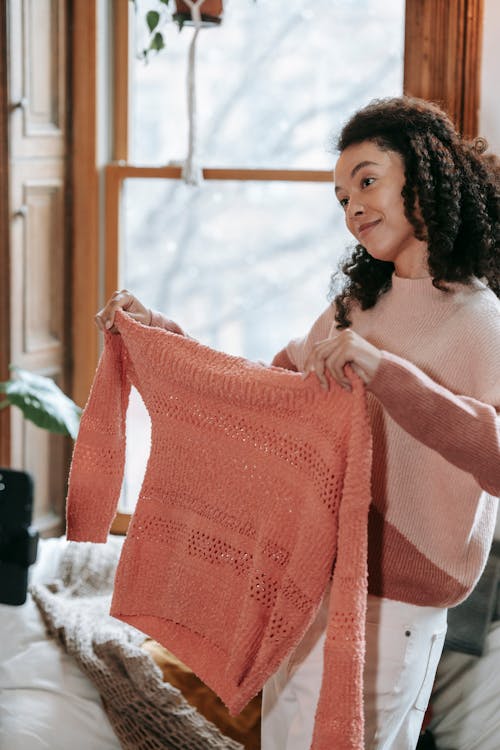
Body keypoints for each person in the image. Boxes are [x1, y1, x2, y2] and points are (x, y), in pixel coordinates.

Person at [95, 96, 500, 750]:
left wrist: (385, 372)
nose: (353, 208)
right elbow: (270, 393)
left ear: (424, 176)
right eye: (341, 197)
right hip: (312, 587)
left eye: (367, 180)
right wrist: (163, 336)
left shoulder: (483, 322)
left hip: (395, 608)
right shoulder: (357, 305)